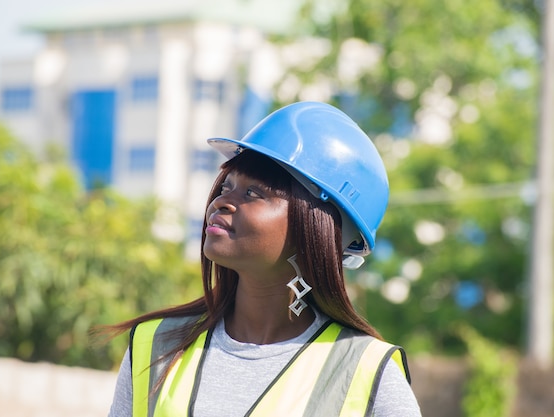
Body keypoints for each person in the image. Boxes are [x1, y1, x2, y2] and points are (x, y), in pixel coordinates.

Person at [107, 101, 422, 417]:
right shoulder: (157, 345)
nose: (221, 202)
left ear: (315, 230)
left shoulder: (368, 374)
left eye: (252, 194)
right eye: (226, 186)